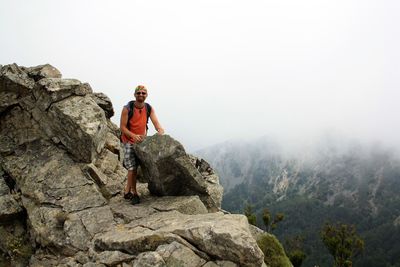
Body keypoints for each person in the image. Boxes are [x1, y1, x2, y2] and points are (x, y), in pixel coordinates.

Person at [120, 85, 164, 204]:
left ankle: (126, 191)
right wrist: (132, 135)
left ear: (146, 95)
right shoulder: (127, 108)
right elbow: (122, 127)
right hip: (128, 141)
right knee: (132, 168)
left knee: (135, 167)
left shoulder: (148, 108)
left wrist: (160, 130)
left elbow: (156, 122)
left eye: (143, 93)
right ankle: (134, 192)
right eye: (138, 93)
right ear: (134, 95)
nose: (141, 95)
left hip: (141, 142)